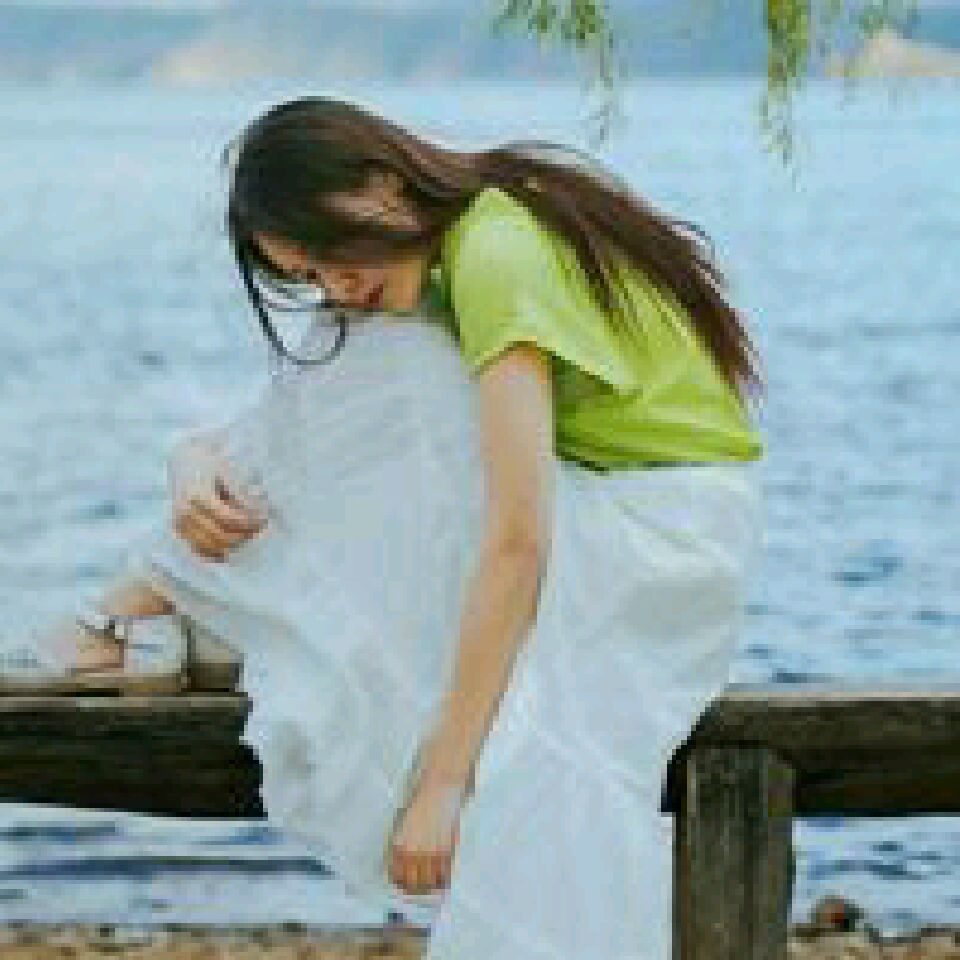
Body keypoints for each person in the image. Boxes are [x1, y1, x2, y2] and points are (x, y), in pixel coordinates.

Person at [0, 95, 766, 956]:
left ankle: (134, 614)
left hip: (661, 537)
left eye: (329, 254)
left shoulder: (496, 253)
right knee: (357, 346)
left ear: (381, 184)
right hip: (626, 509)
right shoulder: (466, 236)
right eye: (308, 275)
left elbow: (519, 542)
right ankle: (160, 608)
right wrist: (191, 455)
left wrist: (444, 782)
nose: (335, 285)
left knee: (388, 361)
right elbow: (312, 417)